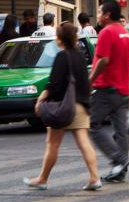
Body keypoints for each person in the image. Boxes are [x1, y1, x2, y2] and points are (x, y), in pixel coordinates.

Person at [23, 23, 101, 191]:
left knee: (52, 143)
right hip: (81, 104)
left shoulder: (61, 57)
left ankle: (42, 179)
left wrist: (40, 100)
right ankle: (95, 177)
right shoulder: (81, 56)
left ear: (60, 39)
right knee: (83, 142)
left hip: (63, 106)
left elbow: (54, 85)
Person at [88, 0, 129, 182]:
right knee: (120, 131)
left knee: (93, 126)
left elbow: (103, 60)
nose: (98, 15)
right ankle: (120, 171)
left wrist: (90, 80)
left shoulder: (107, 32)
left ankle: (120, 159)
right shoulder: (126, 34)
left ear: (107, 15)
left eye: (99, 12)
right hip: (123, 90)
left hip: (106, 89)